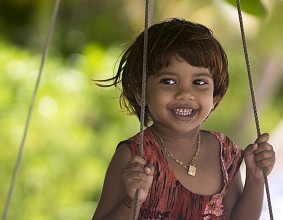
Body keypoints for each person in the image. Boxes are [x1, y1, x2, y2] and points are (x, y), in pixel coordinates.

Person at [92, 18, 276, 220]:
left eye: (199, 82)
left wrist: (256, 179)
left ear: (215, 97)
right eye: (168, 81)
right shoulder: (135, 156)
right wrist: (132, 201)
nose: (185, 94)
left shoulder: (224, 153)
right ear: (140, 92)